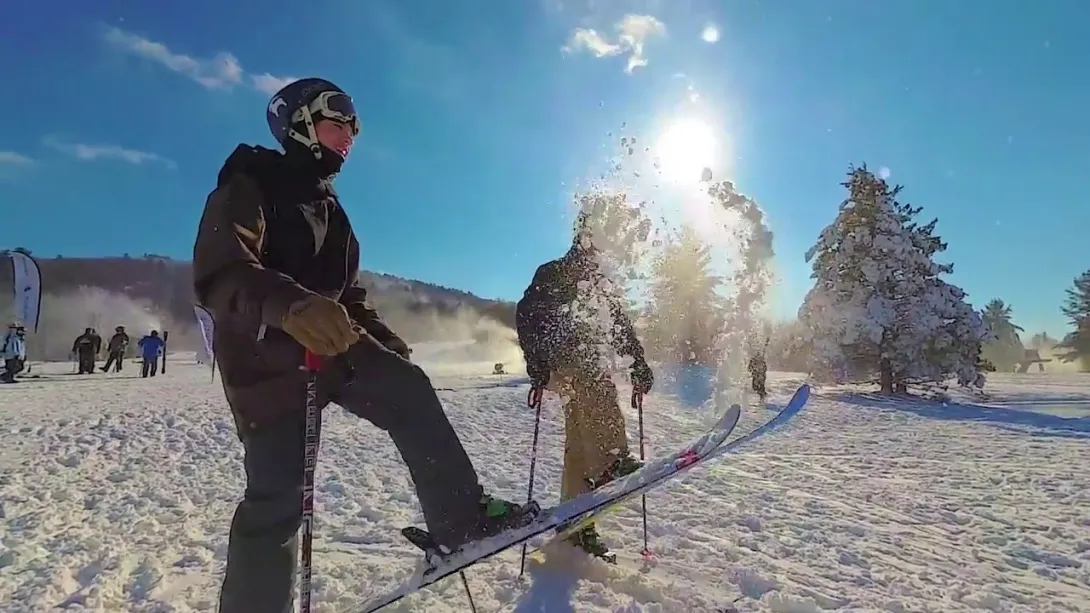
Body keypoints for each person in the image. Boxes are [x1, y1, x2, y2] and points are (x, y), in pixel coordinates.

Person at [191, 77, 537, 613]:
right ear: (301, 125)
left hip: (330, 348)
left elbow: (347, 295)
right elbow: (223, 272)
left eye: (354, 128)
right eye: (337, 124)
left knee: (409, 389)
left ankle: (459, 520)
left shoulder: (332, 213)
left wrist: (385, 341)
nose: (349, 136)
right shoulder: (249, 184)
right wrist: (290, 305)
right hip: (265, 365)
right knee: (278, 499)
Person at [515, 214, 654, 558]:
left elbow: (620, 327)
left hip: (578, 365)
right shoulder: (552, 272)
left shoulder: (601, 282)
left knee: (579, 441)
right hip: (559, 361)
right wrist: (537, 363)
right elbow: (526, 316)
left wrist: (638, 366)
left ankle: (575, 522)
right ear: (583, 240)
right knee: (593, 374)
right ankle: (613, 460)